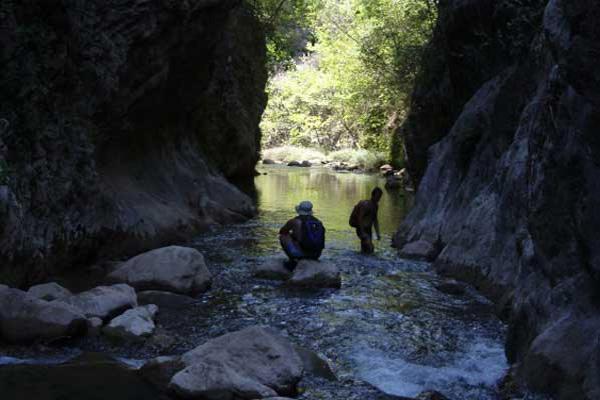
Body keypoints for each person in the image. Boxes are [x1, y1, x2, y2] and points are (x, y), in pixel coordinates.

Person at [279, 201, 326, 269]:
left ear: (299, 210)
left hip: (301, 254)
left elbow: (282, 231)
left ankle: (293, 261)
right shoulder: (318, 222)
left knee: (283, 236)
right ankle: (311, 260)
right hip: (317, 254)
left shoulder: (294, 221)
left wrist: (293, 235)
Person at [349, 187, 383, 254]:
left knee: (365, 249)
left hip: (368, 229)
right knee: (370, 247)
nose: (379, 198)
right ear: (373, 195)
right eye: (378, 196)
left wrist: (378, 233)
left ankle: (362, 262)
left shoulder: (376, 206)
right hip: (361, 228)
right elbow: (360, 218)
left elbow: (375, 220)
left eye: (380, 196)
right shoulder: (366, 205)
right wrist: (362, 232)